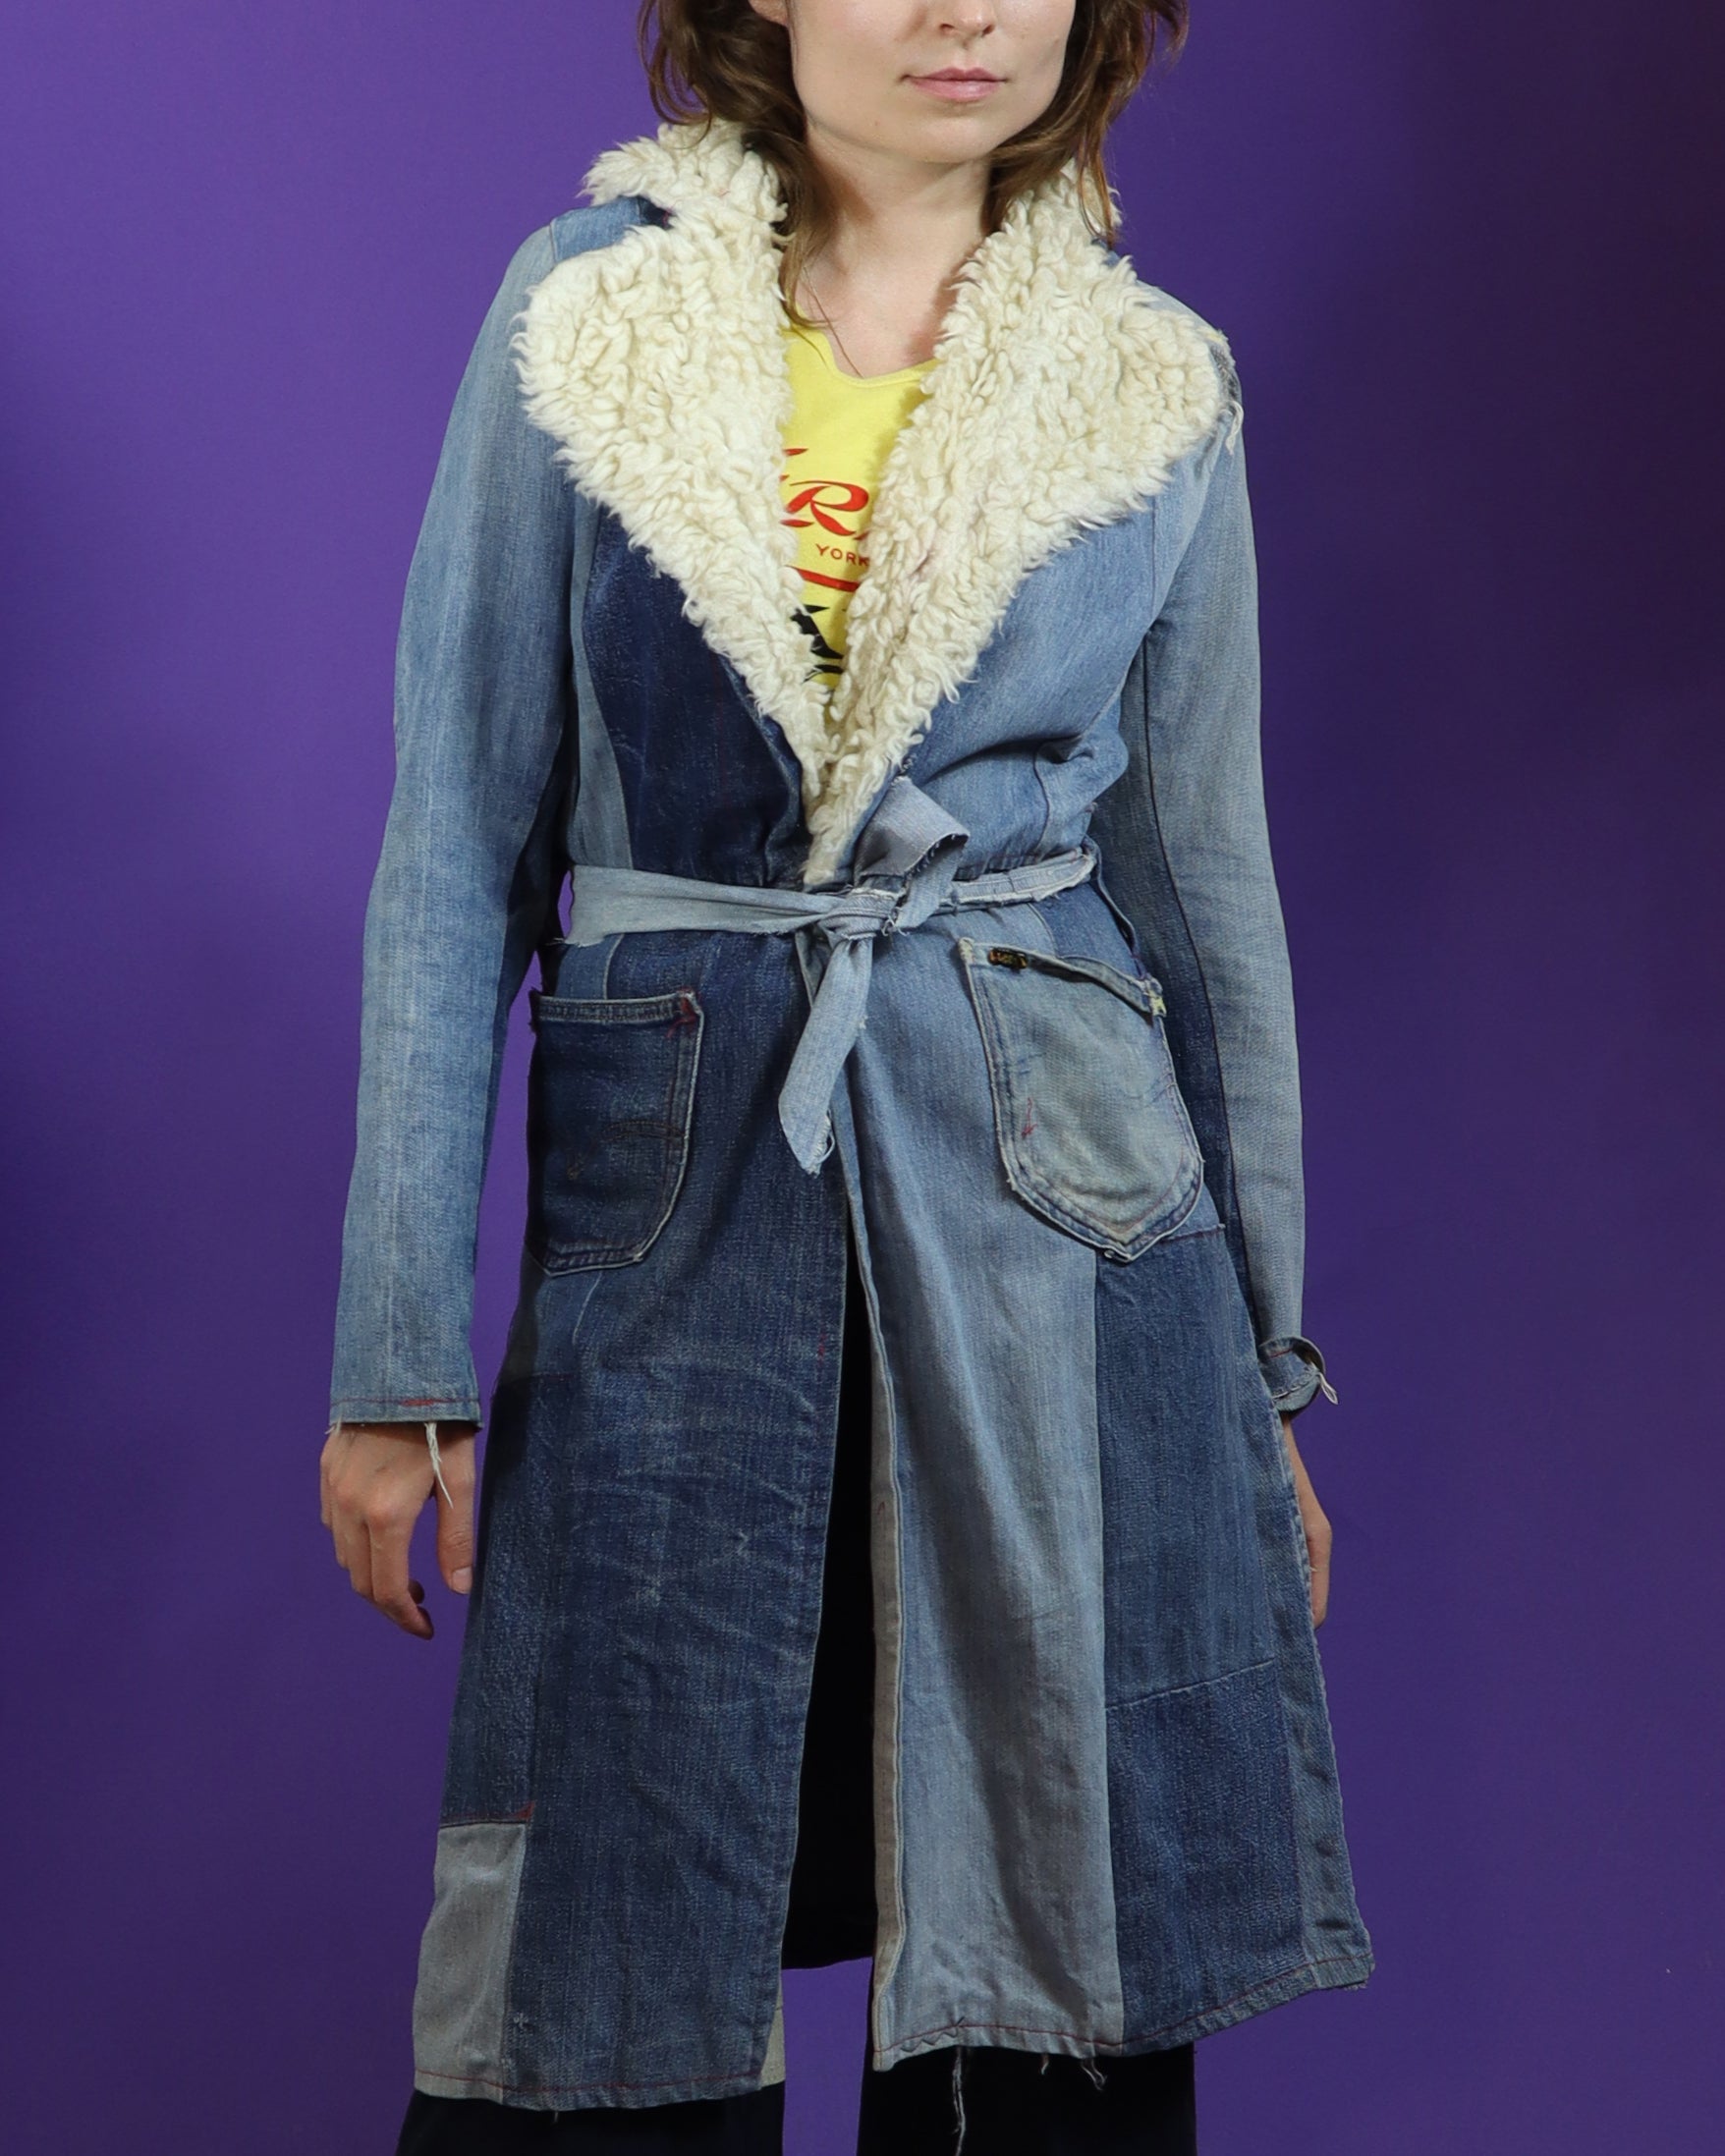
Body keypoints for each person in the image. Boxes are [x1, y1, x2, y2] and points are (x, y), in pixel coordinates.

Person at [319, 3, 1375, 2150]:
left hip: (1062, 1234)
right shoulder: (589, 315)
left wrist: (1261, 1375)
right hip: (682, 1204)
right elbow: (453, 842)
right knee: (612, 1949)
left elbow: (1201, 897)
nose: (964, 11)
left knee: (1047, 1953)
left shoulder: (1148, 379)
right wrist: (397, 1357)